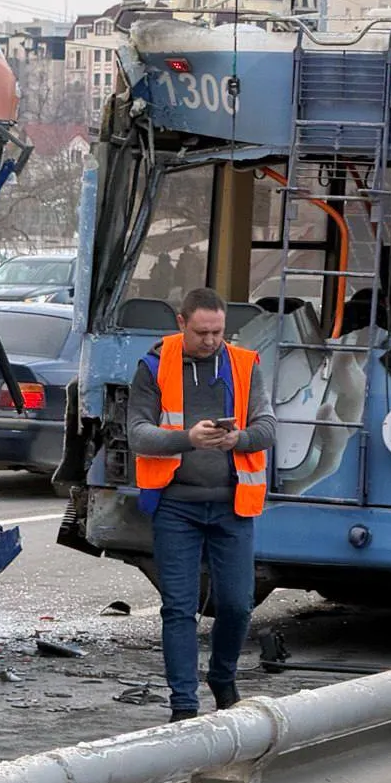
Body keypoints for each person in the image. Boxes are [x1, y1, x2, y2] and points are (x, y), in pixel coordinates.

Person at [127, 286, 277, 721]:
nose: (210, 341)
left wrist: (240, 438)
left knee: (236, 604)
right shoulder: (154, 365)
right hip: (177, 506)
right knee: (179, 607)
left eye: (217, 332)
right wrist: (186, 439)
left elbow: (267, 424)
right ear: (181, 323)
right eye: (201, 332)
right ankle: (183, 705)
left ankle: (223, 677)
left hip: (233, 505)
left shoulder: (245, 365)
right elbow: (138, 433)